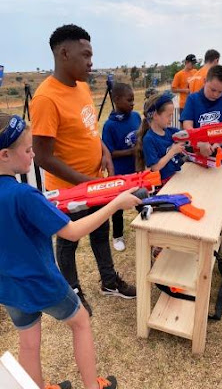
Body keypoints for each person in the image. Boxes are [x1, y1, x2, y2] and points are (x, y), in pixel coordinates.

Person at [0, 113, 142, 389]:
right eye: (28, 150)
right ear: (5, 155)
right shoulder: (24, 195)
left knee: (28, 344)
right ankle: (93, 385)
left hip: (8, 287)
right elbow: (73, 232)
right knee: (81, 322)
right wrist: (115, 203)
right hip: (41, 282)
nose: (32, 157)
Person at [30, 24, 136, 318]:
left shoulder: (84, 87)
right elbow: (42, 157)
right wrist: (87, 184)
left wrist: (103, 151)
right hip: (70, 191)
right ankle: (73, 291)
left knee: (100, 231)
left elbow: (89, 130)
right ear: (64, 53)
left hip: (94, 181)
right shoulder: (45, 99)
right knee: (68, 241)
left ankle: (109, 282)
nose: (91, 61)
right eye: (86, 54)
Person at [102, 83, 141, 252]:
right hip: (119, 174)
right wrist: (131, 151)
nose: (133, 103)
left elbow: (141, 137)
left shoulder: (136, 117)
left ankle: (147, 228)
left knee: (142, 200)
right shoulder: (109, 126)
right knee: (118, 208)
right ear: (117, 100)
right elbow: (110, 153)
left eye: (133, 100)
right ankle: (117, 236)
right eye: (129, 100)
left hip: (137, 170)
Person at [180, 65, 222, 165]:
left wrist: (219, 143)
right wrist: (199, 144)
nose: (216, 94)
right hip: (198, 156)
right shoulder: (193, 99)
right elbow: (187, 126)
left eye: (220, 91)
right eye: (212, 90)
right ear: (204, 81)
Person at [136, 92, 185, 183]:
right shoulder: (149, 139)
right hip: (163, 185)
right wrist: (173, 151)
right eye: (169, 116)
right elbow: (155, 167)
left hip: (175, 178)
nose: (171, 119)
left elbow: (188, 135)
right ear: (155, 116)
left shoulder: (171, 131)